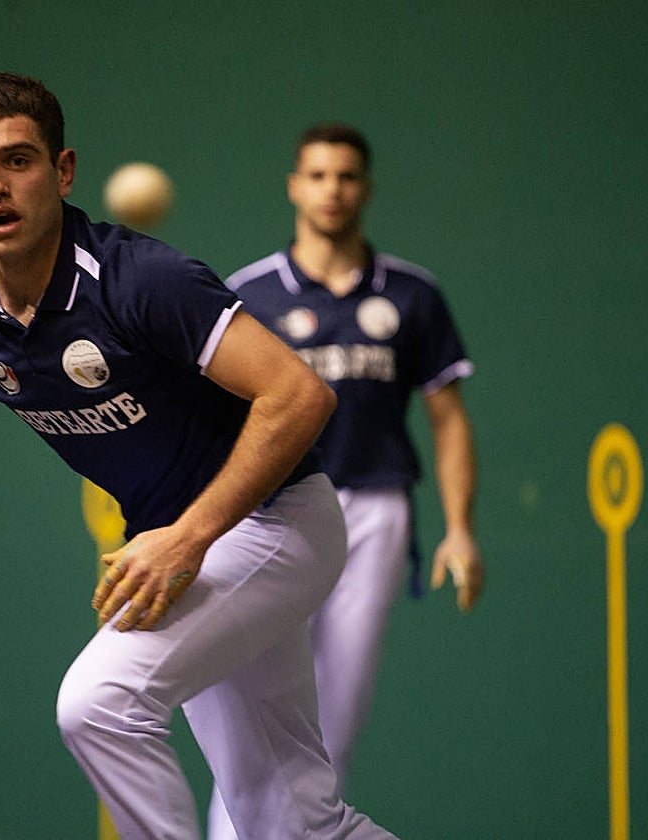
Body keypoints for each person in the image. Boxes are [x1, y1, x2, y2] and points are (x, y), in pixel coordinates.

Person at [0, 72, 396, 840]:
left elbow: (299, 397)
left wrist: (189, 538)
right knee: (292, 821)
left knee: (99, 704)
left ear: (62, 172)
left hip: (271, 524)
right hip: (188, 549)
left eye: (19, 161)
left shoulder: (143, 280)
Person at [207, 122, 485, 836]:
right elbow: (215, 423)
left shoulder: (413, 295)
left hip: (375, 514)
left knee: (334, 722)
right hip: (271, 516)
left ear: (366, 188)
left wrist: (458, 529)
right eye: (319, 175)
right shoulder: (250, 294)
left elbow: (448, 419)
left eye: (348, 176)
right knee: (254, 712)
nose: (333, 190)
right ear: (295, 186)